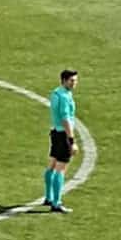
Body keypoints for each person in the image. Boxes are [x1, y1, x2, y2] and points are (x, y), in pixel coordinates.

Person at [43, 69, 80, 214]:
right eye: (72, 81)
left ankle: (48, 196)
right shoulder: (64, 97)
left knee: (51, 164)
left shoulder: (56, 93)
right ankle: (56, 203)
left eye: (75, 80)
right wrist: (71, 140)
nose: (74, 83)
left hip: (55, 133)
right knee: (61, 168)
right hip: (63, 135)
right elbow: (65, 119)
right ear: (64, 80)